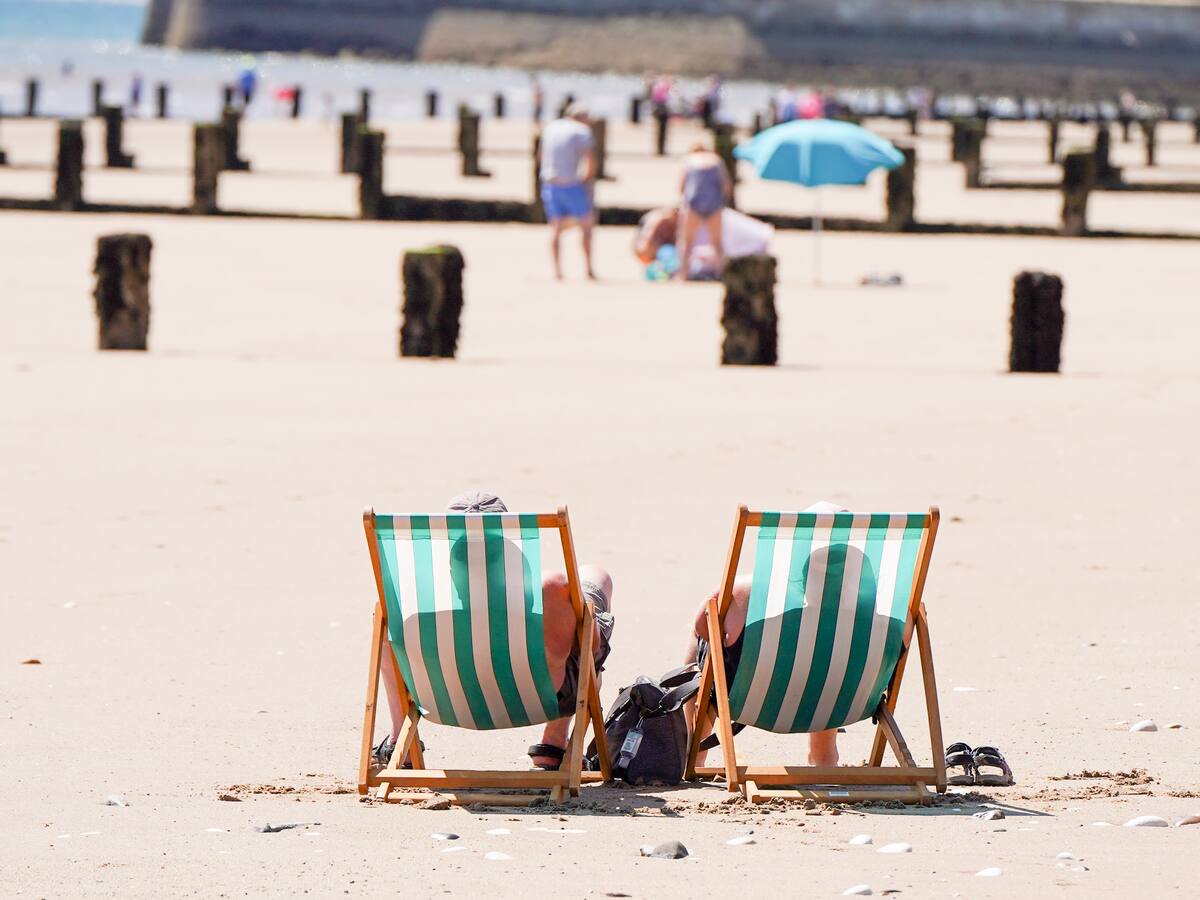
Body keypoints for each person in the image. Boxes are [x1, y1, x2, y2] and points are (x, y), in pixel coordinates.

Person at [374, 491, 615, 772]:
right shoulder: (552, 590)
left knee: (388, 633)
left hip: (448, 703)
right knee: (593, 586)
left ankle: (399, 745)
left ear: (452, 568)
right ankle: (553, 744)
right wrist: (578, 611)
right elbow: (593, 645)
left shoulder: (420, 620)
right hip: (538, 700)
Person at [683, 501, 846, 769]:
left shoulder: (746, 591)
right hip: (835, 699)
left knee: (706, 639)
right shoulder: (874, 608)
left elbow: (703, 627)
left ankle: (695, 752)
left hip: (753, 698)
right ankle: (824, 756)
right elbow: (902, 644)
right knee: (829, 660)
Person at [539, 104, 597, 280]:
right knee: (587, 225)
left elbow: (540, 156)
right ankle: (588, 269)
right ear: (582, 117)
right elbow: (590, 160)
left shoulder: (550, 127)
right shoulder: (582, 131)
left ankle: (557, 271)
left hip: (550, 182)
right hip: (572, 183)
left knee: (555, 228)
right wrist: (586, 182)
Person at [676, 142, 731, 280]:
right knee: (717, 243)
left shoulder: (689, 160)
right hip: (714, 202)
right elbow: (726, 187)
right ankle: (722, 274)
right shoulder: (716, 160)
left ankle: (683, 274)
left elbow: (681, 188)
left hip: (694, 202)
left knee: (687, 242)